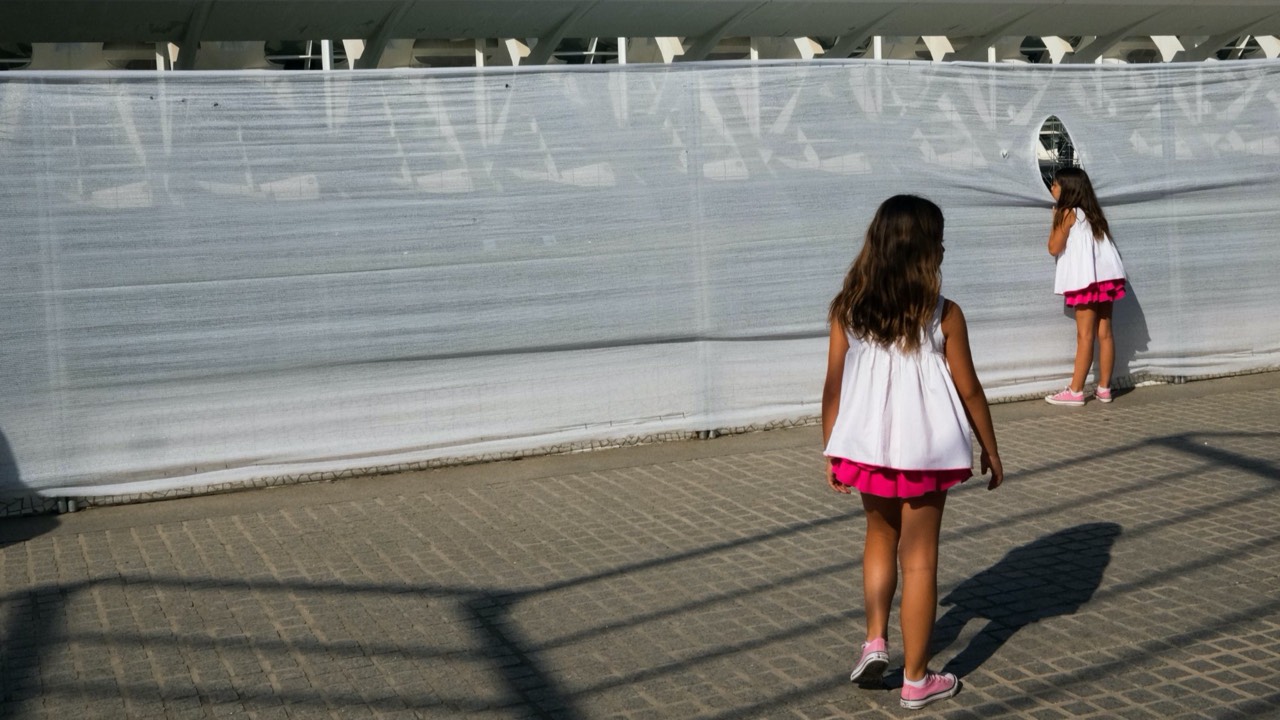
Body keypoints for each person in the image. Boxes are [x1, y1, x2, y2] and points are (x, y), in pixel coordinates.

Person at [822, 195, 1003, 711]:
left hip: (866, 448)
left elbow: (833, 386)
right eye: (940, 240)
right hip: (927, 451)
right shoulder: (944, 315)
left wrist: (833, 449)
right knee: (920, 561)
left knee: (879, 538)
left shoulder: (847, 310)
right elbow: (969, 389)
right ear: (928, 252)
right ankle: (918, 679)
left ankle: (875, 641)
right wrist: (990, 449)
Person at [1044, 167, 1127, 406]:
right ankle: (1104, 388)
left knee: (1085, 335)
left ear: (1067, 188)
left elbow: (1053, 247)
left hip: (1085, 281)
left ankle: (1076, 390)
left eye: (1056, 184)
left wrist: (1054, 221)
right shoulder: (1093, 214)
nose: (1052, 188)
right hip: (1105, 279)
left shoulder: (1066, 212)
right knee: (1105, 333)